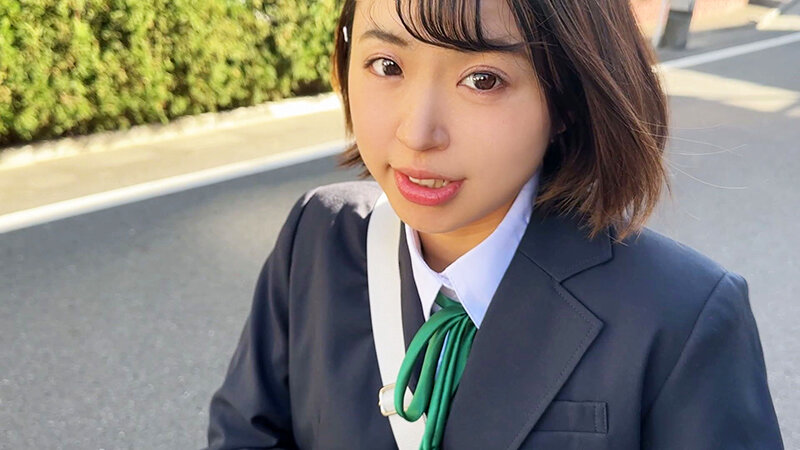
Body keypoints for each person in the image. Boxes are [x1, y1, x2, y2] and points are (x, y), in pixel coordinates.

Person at [206, 0, 784, 448]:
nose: (417, 133)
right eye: (387, 65)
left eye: (483, 80)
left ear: (568, 98)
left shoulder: (681, 315)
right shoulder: (318, 238)